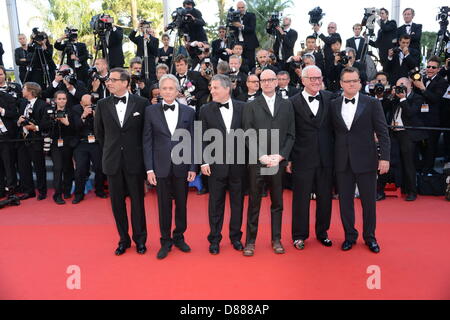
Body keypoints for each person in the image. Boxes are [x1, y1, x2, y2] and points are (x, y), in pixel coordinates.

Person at [330, 67, 390, 253]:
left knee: (369, 202)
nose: (351, 84)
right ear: (341, 84)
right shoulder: (333, 104)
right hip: (342, 161)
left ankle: (370, 237)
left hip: (367, 160)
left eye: (355, 80)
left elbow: (383, 132)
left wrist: (385, 158)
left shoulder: (372, 103)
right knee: (345, 202)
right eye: (348, 81)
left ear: (360, 82)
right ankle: (350, 236)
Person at [94, 68, 148, 256]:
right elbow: (100, 134)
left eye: (113, 80)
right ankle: (123, 239)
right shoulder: (101, 104)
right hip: (112, 161)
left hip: (135, 161)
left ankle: (140, 240)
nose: (109, 83)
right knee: (117, 204)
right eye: (108, 80)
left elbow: (145, 134)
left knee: (138, 203)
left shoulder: (142, 103)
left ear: (125, 83)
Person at [143, 74, 197, 260]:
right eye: (164, 88)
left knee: (182, 205)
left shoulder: (189, 112)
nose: (167, 91)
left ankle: (179, 237)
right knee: (163, 206)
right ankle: (165, 241)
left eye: (171, 88)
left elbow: (193, 141)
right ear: (160, 91)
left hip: (182, 167)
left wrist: (192, 167)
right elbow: (147, 141)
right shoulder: (150, 111)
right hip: (160, 167)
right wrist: (149, 169)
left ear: (177, 91)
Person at [242, 69, 295, 256]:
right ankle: (250, 241)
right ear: (259, 83)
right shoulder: (251, 105)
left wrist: (281, 156)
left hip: (277, 162)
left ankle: (276, 239)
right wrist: (260, 155)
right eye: (263, 80)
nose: (267, 83)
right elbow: (247, 134)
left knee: (277, 203)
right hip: (258, 163)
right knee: (254, 202)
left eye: (270, 79)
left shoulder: (287, 105)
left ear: (276, 82)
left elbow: (291, 134)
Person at [288, 65, 335, 250]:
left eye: (319, 78)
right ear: (303, 80)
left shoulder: (330, 98)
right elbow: (289, 133)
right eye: (312, 78)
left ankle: (322, 233)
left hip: (326, 158)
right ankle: (299, 235)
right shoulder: (292, 102)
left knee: (325, 198)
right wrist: (289, 159)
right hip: (302, 158)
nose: (316, 81)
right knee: (300, 199)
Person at [199, 74, 246, 254]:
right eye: (211, 87)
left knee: (237, 203)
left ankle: (236, 237)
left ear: (227, 88)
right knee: (215, 203)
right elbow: (200, 136)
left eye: (215, 87)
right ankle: (215, 239)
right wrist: (203, 161)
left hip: (238, 164)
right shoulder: (205, 110)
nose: (212, 90)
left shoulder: (244, 108)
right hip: (215, 164)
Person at [388, 78, 428, 201]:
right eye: (397, 85)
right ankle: (402, 187)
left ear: (410, 85)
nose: (400, 88)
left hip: (408, 134)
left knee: (408, 163)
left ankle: (412, 191)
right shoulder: (396, 98)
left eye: (402, 85)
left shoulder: (417, 98)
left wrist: (403, 98)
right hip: (395, 133)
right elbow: (386, 108)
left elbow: (410, 113)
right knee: (396, 161)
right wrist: (392, 96)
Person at [412, 56, 448, 174]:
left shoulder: (442, 82)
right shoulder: (421, 79)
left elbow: (435, 99)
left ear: (438, 69)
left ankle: (428, 173)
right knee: (420, 147)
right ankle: (421, 170)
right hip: (419, 119)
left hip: (433, 120)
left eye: (433, 67)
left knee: (431, 147)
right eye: (428, 66)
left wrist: (422, 87)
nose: (430, 69)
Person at [40, 91, 76, 204]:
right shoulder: (49, 111)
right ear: (55, 100)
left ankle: (67, 191)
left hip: (67, 144)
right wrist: (53, 120)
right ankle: (57, 194)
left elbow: (76, 129)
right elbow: (42, 126)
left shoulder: (71, 111)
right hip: (55, 144)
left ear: (66, 100)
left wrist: (67, 123)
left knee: (68, 168)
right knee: (58, 168)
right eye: (59, 99)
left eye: (64, 99)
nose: (62, 101)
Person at [72, 94, 107, 204]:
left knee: (100, 168)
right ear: (81, 103)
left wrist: (97, 117)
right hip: (81, 143)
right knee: (80, 169)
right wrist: (83, 115)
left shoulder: (98, 108)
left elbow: (104, 127)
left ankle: (100, 190)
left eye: (90, 104)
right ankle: (79, 194)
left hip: (96, 143)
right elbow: (75, 127)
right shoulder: (75, 109)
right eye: (86, 105)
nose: (89, 106)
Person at [16, 82, 49, 201]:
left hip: (36, 140)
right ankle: (29, 191)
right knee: (24, 167)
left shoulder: (42, 105)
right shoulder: (23, 103)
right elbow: (18, 118)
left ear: (31, 91)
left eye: (24, 88)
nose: (22, 90)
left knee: (39, 167)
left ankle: (42, 191)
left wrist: (35, 127)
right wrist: (19, 121)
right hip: (22, 140)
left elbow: (46, 123)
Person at [0, 79, 19, 197]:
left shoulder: (7, 97)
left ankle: (12, 188)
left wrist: (2, 111)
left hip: (6, 137)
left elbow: (14, 113)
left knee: (8, 164)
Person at [232, 1, 259, 70]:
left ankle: (252, 76)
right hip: (238, 43)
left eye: (242, 7)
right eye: (239, 8)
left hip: (249, 43)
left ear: (245, 7)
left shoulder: (251, 15)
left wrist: (241, 26)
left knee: (250, 62)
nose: (240, 9)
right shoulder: (234, 17)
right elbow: (232, 29)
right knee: (239, 62)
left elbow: (252, 29)